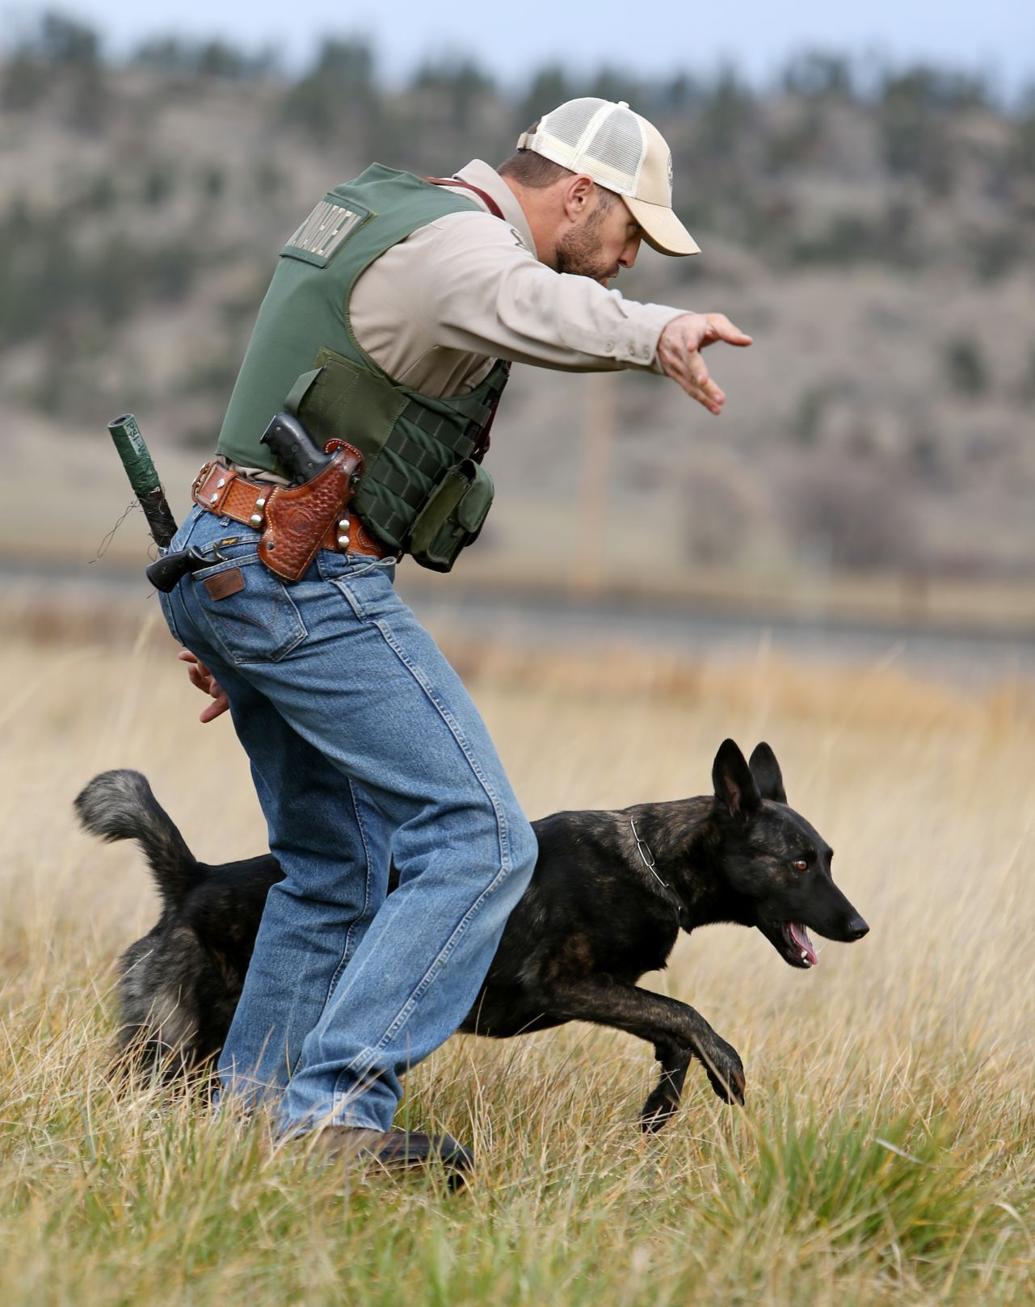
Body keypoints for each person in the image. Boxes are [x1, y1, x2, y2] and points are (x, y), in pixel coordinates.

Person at [159, 97, 752, 1180]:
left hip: (236, 561)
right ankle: (334, 1111)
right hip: (294, 577)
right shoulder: (465, 249)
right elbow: (538, 305)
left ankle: (244, 1133)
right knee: (480, 839)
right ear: (578, 194)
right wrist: (655, 330)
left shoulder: (394, 213)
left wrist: (234, 621)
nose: (623, 259)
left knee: (338, 865)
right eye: (629, 232)